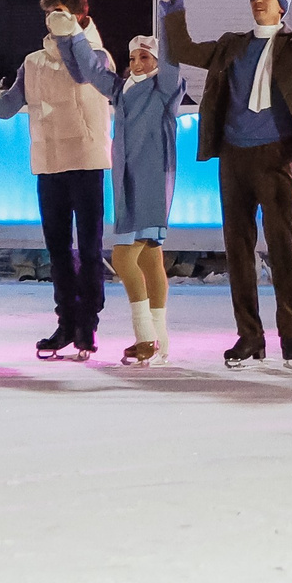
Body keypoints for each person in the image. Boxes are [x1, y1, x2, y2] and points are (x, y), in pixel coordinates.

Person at [160, 0, 292, 372]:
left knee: (283, 247)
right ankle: (249, 336)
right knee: (238, 249)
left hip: (275, 154)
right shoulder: (232, 44)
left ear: (282, 7)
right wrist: (174, 3)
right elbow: (184, 48)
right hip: (233, 155)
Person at [0, 0, 115, 359]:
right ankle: (66, 322)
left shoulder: (97, 54)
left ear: (79, 16)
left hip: (85, 161)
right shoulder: (33, 61)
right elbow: (9, 104)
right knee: (58, 250)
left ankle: (87, 324)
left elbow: (84, 72)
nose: (52, 19)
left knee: (89, 249)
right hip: (49, 162)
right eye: (49, 14)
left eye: (60, 13)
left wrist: (71, 36)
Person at [105, 30, 187, 366]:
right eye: (133, 58)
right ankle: (160, 339)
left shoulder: (164, 88)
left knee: (123, 257)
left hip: (151, 182)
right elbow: (91, 72)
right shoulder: (123, 89)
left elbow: (171, 62)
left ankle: (145, 336)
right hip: (130, 182)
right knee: (150, 259)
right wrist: (70, 36)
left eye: (145, 57)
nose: (137, 64)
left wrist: (170, 11)